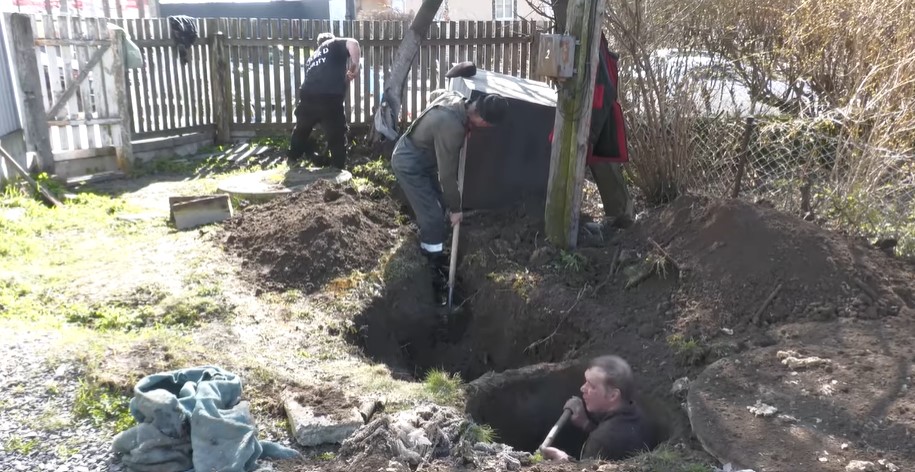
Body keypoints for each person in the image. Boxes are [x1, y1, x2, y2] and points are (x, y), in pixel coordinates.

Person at [390, 89, 508, 304]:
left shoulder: (457, 99)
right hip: (409, 164)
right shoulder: (452, 128)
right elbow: (447, 176)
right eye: (488, 126)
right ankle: (432, 266)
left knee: (438, 206)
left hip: (422, 159)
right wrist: (456, 210)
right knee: (434, 217)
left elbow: (433, 94)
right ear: (481, 119)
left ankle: (435, 244)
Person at [540, 355, 662, 462]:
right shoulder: (639, 415)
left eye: (591, 385)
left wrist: (564, 462)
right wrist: (585, 423)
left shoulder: (601, 441)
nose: (582, 388)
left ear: (613, 395)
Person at [287, 32, 361, 170]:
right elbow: (353, 43)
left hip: (307, 95)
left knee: (302, 129)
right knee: (336, 133)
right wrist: (356, 65)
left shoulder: (312, 58)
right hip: (328, 97)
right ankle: (338, 167)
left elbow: (328, 76)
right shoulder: (333, 44)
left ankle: (292, 159)